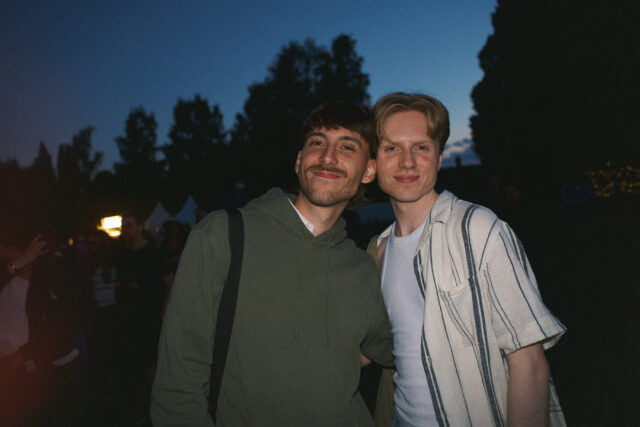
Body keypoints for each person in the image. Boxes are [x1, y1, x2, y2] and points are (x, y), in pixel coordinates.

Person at [151, 101, 393, 426]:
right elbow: (177, 388)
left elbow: (394, 348)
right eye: (317, 142)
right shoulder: (223, 236)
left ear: (369, 171)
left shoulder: (361, 267)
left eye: (347, 147)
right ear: (299, 161)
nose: (327, 156)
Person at [368, 92, 566, 427]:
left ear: (439, 158)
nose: (407, 162)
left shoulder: (478, 228)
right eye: (392, 148)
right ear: (374, 162)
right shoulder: (379, 250)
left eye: (421, 147)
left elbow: (530, 365)